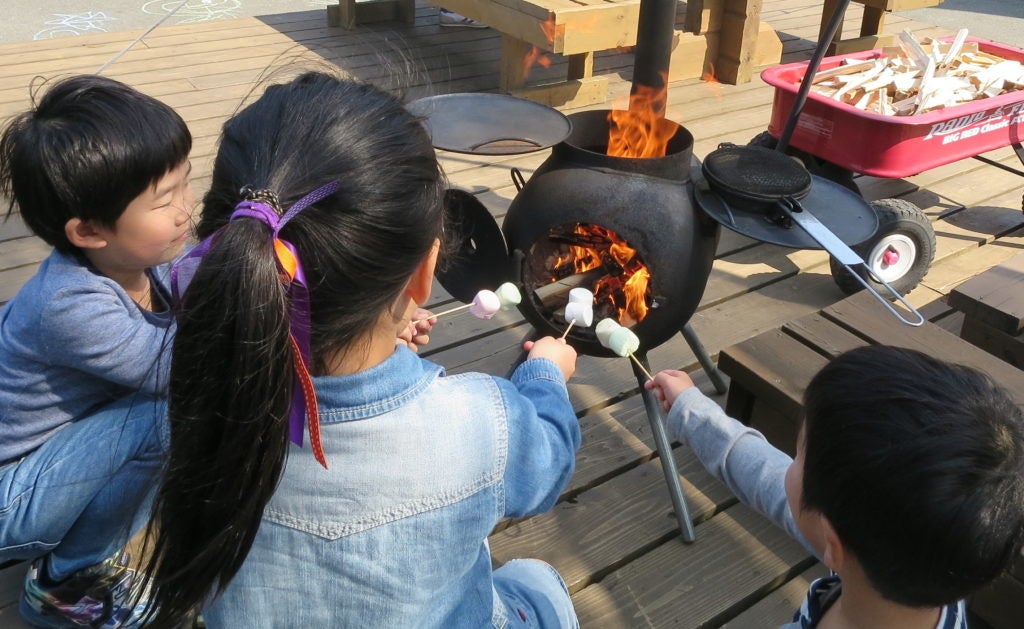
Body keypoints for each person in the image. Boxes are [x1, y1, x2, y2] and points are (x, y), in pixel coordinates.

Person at [142, 72, 581, 629]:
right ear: (424, 273)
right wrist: (545, 374)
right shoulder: (485, 423)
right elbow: (547, 465)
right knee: (537, 581)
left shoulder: (190, 406)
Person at [646, 345, 1024, 629]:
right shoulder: (944, 560)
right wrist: (692, 411)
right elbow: (769, 479)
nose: (788, 465)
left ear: (832, 543)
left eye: (797, 455)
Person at [0, 74, 194, 628]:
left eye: (186, 182)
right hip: (7, 495)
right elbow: (180, 367)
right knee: (164, 417)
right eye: (164, 199)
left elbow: (197, 275)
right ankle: (67, 581)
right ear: (88, 231)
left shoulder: (137, 259)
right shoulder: (71, 305)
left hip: (42, 458)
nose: (187, 208)